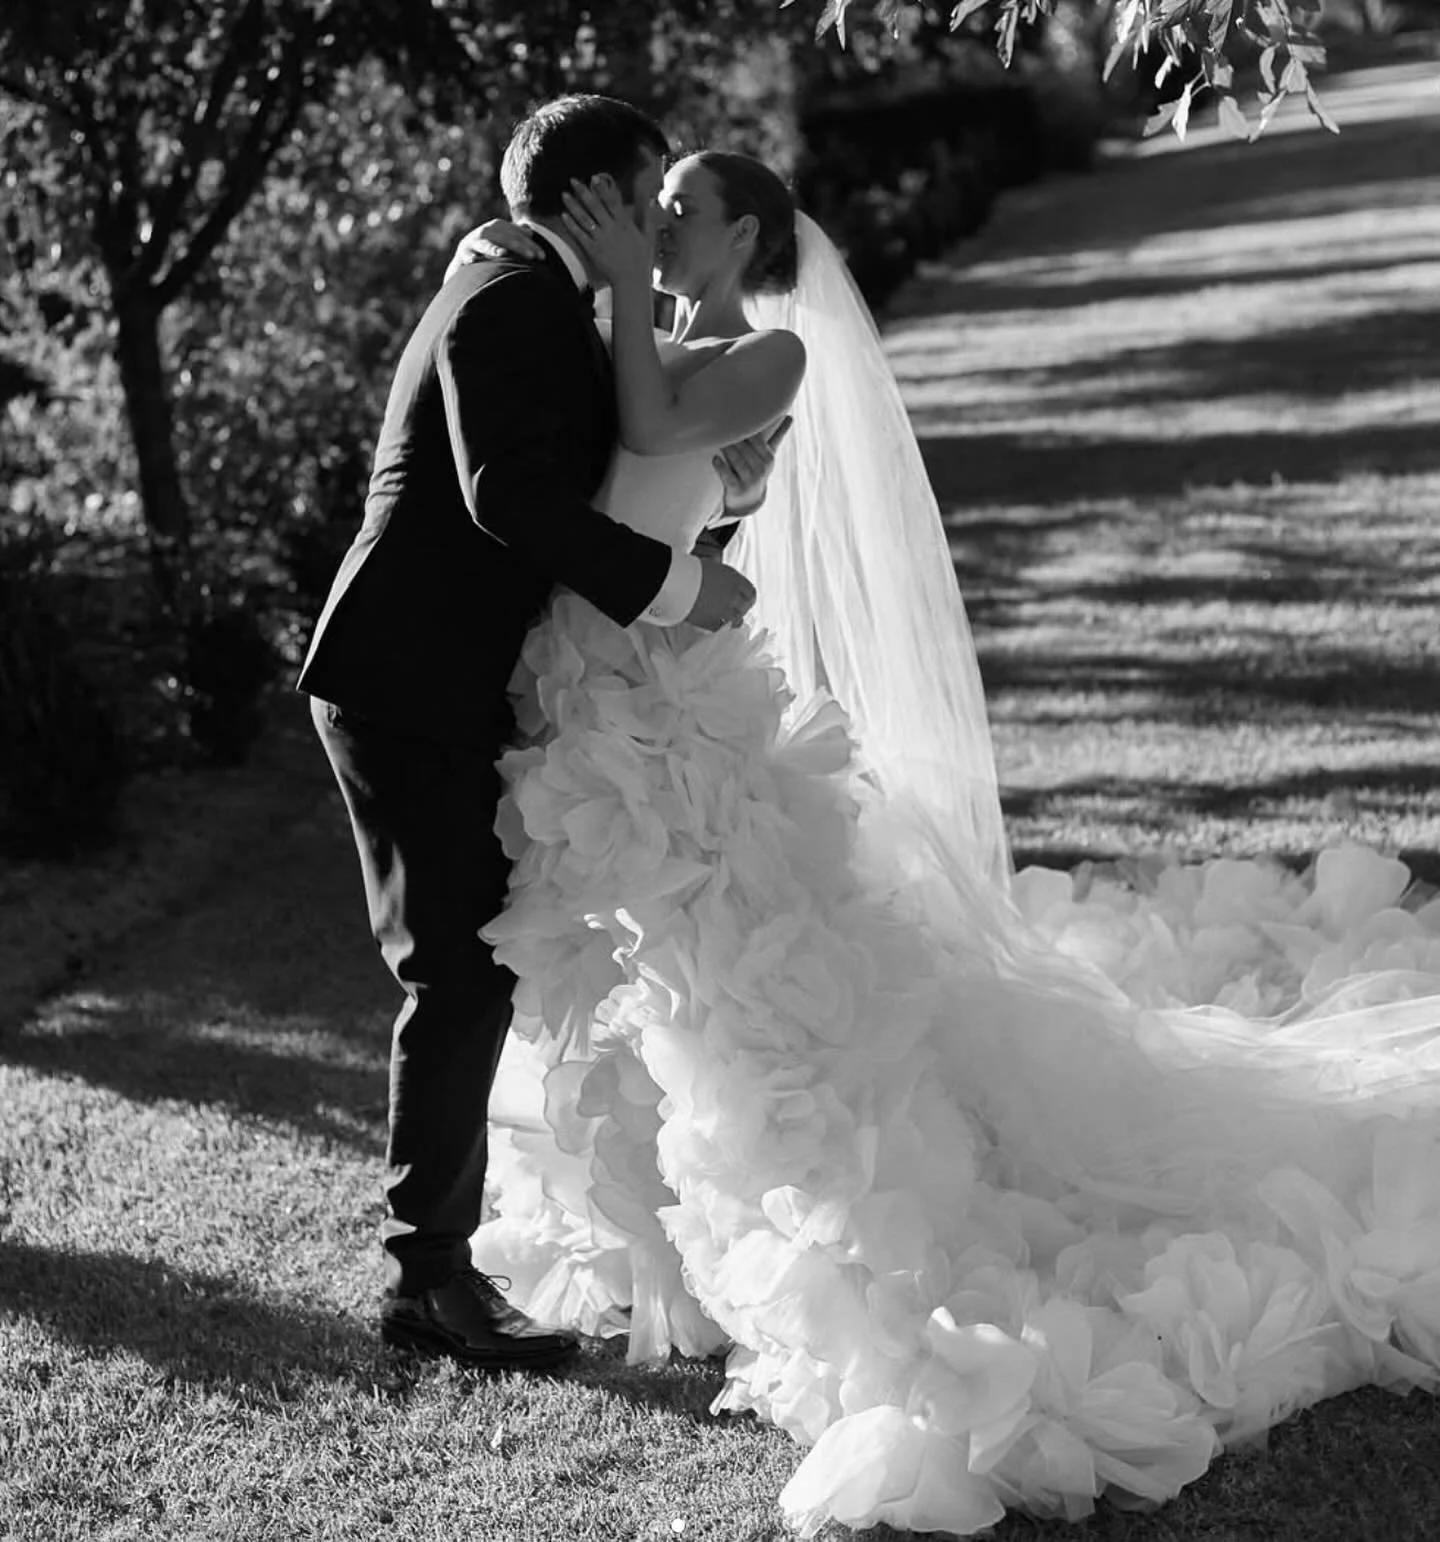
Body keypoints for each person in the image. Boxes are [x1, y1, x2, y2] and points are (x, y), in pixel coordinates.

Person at [467, 149, 1440, 1536]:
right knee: (621, 958)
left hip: (666, 699)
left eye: (683, 210)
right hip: (596, 684)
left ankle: (796, 1234)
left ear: (746, 232)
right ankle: (643, 1237)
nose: (658, 225)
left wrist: (623, 283)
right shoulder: (652, 327)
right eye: (651, 208)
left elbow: (646, 413)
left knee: (735, 969)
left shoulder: (760, 364)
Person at [296, 95, 758, 1371]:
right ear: (598, 194)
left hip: (440, 674)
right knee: (454, 971)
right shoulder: (506, 296)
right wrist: (676, 588)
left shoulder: (526, 285)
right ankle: (427, 1284)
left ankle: (434, 1269)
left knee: (471, 964)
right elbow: (508, 493)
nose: (657, 217)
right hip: (404, 675)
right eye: (647, 189)